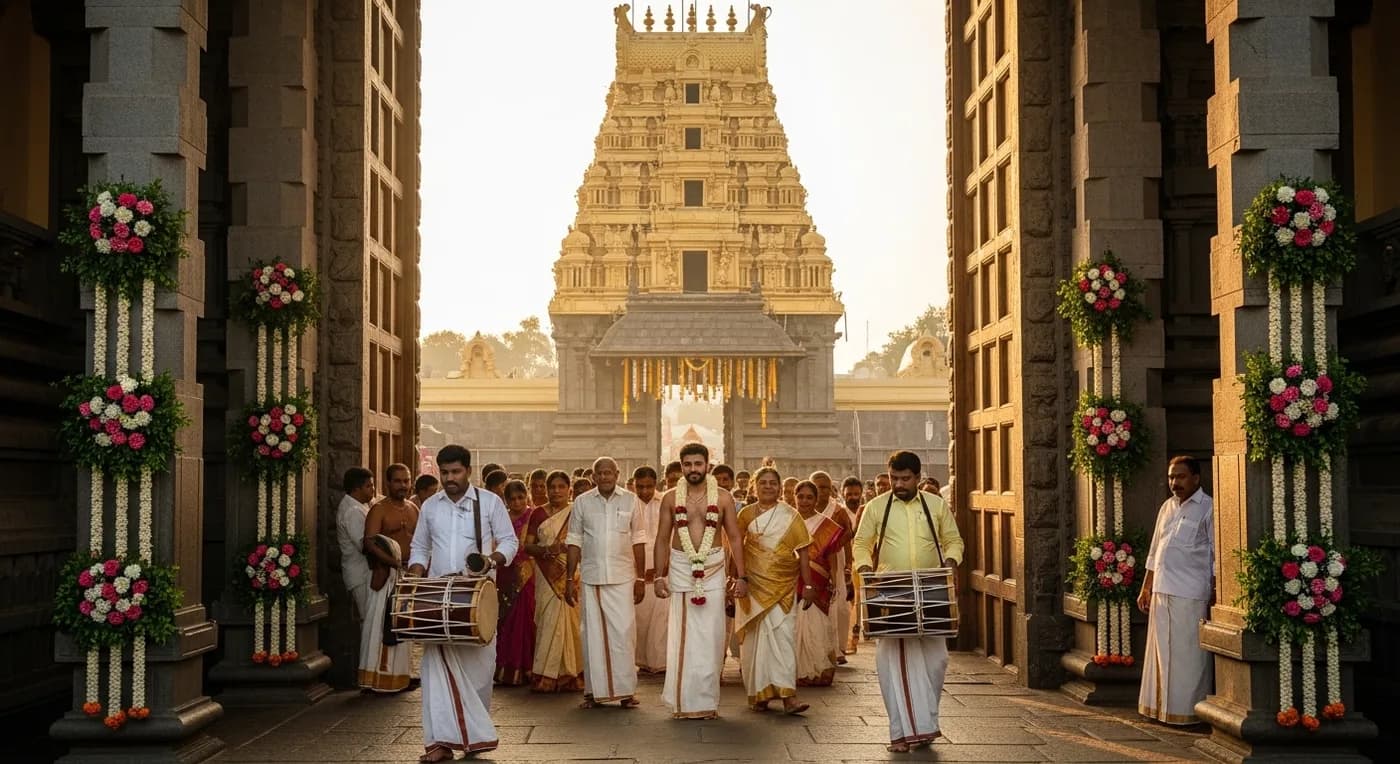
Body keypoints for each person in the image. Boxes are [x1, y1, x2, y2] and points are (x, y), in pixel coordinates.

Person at [407, 444, 519, 762]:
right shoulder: (431, 506)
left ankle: (473, 738)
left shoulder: (489, 502)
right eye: (444, 473)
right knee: (435, 670)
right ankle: (440, 742)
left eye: (455, 472)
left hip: (477, 597)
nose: (449, 478)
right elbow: (419, 548)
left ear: (468, 471)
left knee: (479, 671)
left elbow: (510, 541)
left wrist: (491, 560)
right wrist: (415, 577)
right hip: (438, 598)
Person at [853, 450, 964, 753]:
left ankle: (925, 725)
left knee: (936, 662)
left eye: (905, 479)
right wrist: (865, 568)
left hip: (931, 589)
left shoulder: (936, 505)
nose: (898, 484)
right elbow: (861, 544)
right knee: (896, 663)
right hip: (893, 591)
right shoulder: (876, 507)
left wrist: (952, 561)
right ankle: (901, 733)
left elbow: (954, 540)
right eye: (893, 478)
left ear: (918, 477)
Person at [654, 442, 747, 719]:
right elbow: (661, 538)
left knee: (711, 636)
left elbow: (734, 538)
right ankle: (683, 702)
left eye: (698, 464)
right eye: (687, 464)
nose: (693, 469)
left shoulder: (723, 497)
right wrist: (659, 575)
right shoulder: (671, 498)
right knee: (683, 634)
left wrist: (741, 576)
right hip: (682, 568)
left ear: (708, 464)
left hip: (714, 568)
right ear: (681, 466)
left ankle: (706, 702)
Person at [1137, 455, 1214, 726]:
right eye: (1171, 477)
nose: (1174, 483)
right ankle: (1159, 709)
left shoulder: (1208, 508)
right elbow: (1155, 551)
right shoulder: (1167, 507)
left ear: (1196, 478)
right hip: (1161, 591)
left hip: (1190, 593)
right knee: (1159, 654)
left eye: (1180, 477)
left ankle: (1188, 713)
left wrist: (1216, 594)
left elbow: (1217, 556)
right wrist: (1146, 586)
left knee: (1188, 658)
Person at [566, 457, 646, 708]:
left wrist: (641, 578)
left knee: (624, 634)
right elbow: (574, 541)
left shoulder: (631, 500)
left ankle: (626, 692)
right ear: (593, 476)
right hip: (592, 577)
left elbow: (639, 540)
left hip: (623, 577)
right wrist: (570, 578)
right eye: (600, 473)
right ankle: (593, 692)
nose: (605, 477)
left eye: (609, 473)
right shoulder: (582, 502)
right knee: (593, 637)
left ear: (618, 474)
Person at [734, 466, 815, 714]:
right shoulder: (745, 515)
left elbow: (803, 554)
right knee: (756, 642)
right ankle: (760, 694)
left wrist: (808, 585)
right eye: (763, 483)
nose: (768, 486)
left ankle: (789, 696)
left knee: (783, 639)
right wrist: (736, 579)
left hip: (783, 586)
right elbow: (736, 549)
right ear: (754, 487)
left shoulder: (790, 515)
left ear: (780, 488)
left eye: (773, 483)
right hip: (753, 586)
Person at [359, 463, 419, 693]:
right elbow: (369, 542)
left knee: (404, 625)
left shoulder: (414, 508)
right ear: (388, 483)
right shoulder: (379, 509)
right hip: (385, 576)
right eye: (398, 481)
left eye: (406, 480)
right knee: (378, 627)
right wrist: (392, 561)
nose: (403, 485)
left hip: (407, 575)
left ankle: (402, 676)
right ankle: (375, 678)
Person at [524, 470, 584, 692]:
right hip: (545, 574)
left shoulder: (576, 512)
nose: (556, 491)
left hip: (572, 574)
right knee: (548, 623)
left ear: (569, 489)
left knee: (572, 624)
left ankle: (573, 674)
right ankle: (547, 676)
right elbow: (528, 546)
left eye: (561, 487)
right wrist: (548, 549)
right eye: (552, 487)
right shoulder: (538, 514)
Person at [793, 480, 844, 687]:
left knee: (817, 624)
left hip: (819, 581)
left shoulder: (827, 526)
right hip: (791, 581)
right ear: (794, 498)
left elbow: (832, 558)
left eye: (809, 497)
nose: (804, 501)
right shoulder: (787, 520)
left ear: (816, 499)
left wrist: (834, 581)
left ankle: (818, 668)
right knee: (795, 625)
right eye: (801, 496)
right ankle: (799, 670)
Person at [494, 479, 537, 686]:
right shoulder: (503, 517)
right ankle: (508, 667)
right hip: (506, 572)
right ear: (506, 500)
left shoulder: (533, 515)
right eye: (513, 499)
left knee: (527, 619)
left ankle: (528, 666)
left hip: (530, 573)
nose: (518, 502)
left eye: (521, 497)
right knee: (506, 619)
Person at [811, 471, 854, 664]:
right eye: (817, 487)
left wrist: (833, 546)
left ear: (831, 489)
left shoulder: (838, 510)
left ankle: (838, 649)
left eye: (825, 487)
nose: (821, 491)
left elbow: (849, 533)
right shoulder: (804, 507)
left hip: (835, 559)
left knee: (839, 605)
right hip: (812, 561)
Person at [632, 466, 668, 673]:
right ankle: (643, 662)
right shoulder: (628, 504)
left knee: (661, 619)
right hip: (636, 569)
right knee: (640, 620)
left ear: (657, 484)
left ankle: (661, 662)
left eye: (649, 487)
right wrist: (638, 572)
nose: (645, 491)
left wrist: (661, 568)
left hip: (662, 568)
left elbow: (671, 537)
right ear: (633, 484)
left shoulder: (665, 502)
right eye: (640, 487)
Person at [336, 467, 375, 620]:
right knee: (369, 621)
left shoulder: (361, 505)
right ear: (357, 489)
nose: (373, 489)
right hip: (361, 575)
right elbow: (364, 545)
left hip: (363, 573)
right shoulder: (352, 511)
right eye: (369, 486)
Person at [842, 475, 867, 651]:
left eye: (856, 493)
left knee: (859, 602)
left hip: (862, 563)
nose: (853, 497)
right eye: (849, 494)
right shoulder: (839, 513)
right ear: (843, 494)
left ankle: (855, 639)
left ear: (861, 493)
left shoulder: (867, 511)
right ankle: (845, 642)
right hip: (843, 562)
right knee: (846, 604)